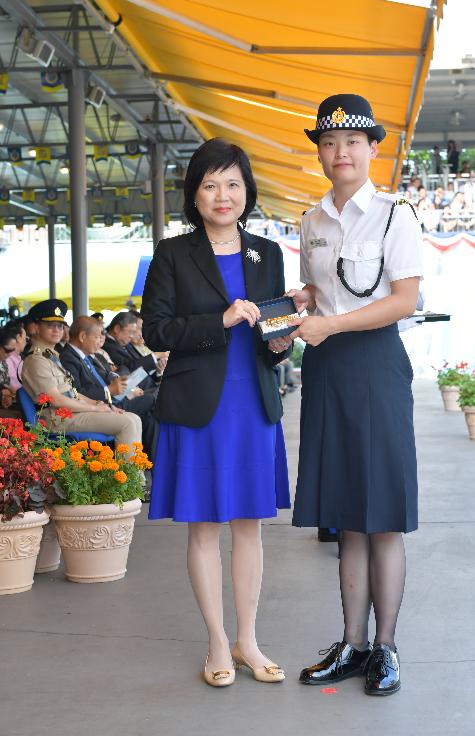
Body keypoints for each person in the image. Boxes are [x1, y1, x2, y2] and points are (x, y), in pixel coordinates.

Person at [141, 138, 291, 687]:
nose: (222, 195)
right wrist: (219, 322)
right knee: (204, 527)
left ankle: (248, 640)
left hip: (252, 402)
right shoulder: (172, 254)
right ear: (194, 195)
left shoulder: (267, 253)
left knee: (250, 525)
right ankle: (216, 644)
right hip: (197, 404)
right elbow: (155, 329)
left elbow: (274, 333)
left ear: (247, 190)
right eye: (210, 185)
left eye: (232, 183)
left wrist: (282, 339)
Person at [288, 94, 423, 696]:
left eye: (351, 142)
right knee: (347, 516)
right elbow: (324, 292)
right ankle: (352, 643)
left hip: (374, 366)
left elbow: (403, 300)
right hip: (327, 369)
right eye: (328, 143)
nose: (339, 152)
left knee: (383, 517)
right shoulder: (310, 221)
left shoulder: (397, 216)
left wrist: (331, 323)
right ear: (319, 153)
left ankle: (387, 647)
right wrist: (303, 305)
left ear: (373, 148)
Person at [21, 299, 142, 449]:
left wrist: (101, 404)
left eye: (60, 326)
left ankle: (134, 470)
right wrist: (94, 408)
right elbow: (56, 399)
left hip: (72, 413)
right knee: (127, 423)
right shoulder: (35, 361)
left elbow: (72, 392)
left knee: (133, 418)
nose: (57, 330)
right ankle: (129, 472)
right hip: (59, 419)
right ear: (35, 327)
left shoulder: (52, 357)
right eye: (50, 326)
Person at [59, 316, 158, 460]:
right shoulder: (68, 357)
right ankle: (133, 471)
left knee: (152, 418)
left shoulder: (88, 356)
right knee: (153, 400)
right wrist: (109, 391)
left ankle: (153, 462)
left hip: (112, 400)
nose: (100, 341)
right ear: (82, 336)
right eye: (97, 336)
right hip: (102, 404)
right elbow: (76, 392)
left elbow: (106, 376)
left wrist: (120, 383)